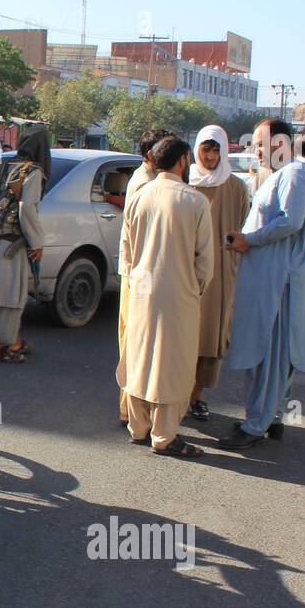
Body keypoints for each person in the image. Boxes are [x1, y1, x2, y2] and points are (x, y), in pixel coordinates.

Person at [219, 119, 305, 450]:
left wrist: (249, 240)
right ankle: (273, 417)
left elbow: (290, 221)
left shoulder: (293, 174)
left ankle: (255, 425)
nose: (257, 150)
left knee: (271, 356)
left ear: (282, 143)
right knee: (275, 357)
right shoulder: (284, 175)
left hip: (278, 282)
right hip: (273, 279)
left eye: (262, 144)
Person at [117, 136, 214, 458]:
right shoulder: (194, 200)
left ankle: (138, 427)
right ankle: (164, 435)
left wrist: (134, 284)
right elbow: (205, 260)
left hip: (140, 290)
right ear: (183, 160)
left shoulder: (139, 196)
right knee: (173, 363)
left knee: (139, 356)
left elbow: (127, 251)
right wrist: (195, 288)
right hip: (179, 293)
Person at [186, 125, 251, 420]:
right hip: (187, 270)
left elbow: (242, 229)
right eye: (206, 149)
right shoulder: (185, 183)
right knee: (184, 335)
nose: (210, 156)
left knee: (212, 339)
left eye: (216, 150)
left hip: (222, 272)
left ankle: (197, 394)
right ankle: (177, 394)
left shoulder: (236, 187)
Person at [115, 128, 173, 427]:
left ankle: (136, 408)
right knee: (136, 343)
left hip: (139, 272)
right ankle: (132, 410)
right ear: (152, 155)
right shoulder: (145, 184)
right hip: (139, 274)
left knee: (138, 342)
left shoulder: (148, 180)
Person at [0, 124, 48, 363]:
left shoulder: (5, 164)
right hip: (14, 243)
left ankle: (14, 340)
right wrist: (37, 242)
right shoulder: (33, 171)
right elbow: (27, 209)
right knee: (12, 296)